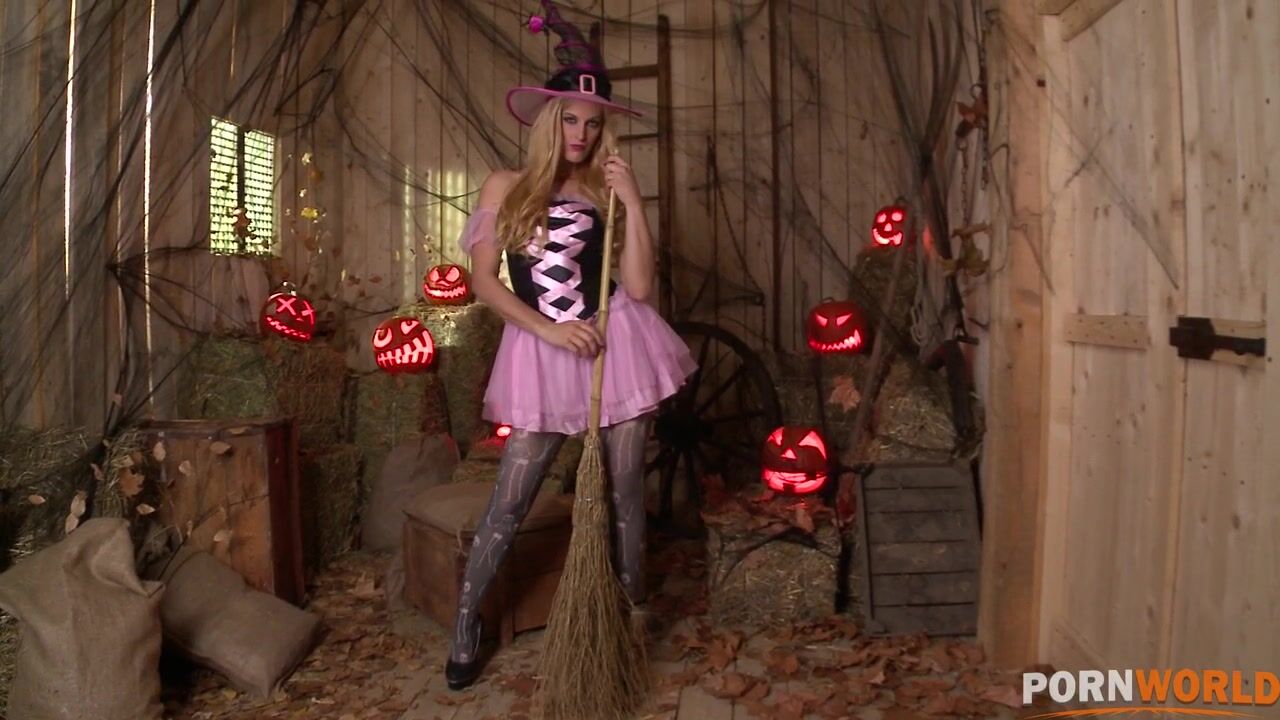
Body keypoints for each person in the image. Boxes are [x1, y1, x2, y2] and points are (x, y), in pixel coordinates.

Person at [443, 1, 697, 691]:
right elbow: (483, 283)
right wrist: (550, 329)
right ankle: (466, 622)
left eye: (592, 123)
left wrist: (634, 203)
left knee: (625, 494)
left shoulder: (601, 191)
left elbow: (638, 288)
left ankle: (627, 621)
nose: (581, 134)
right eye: (570, 120)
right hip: (542, 348)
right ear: (549, 120)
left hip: (615, 347)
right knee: (510, 499)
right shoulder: (506, 185)